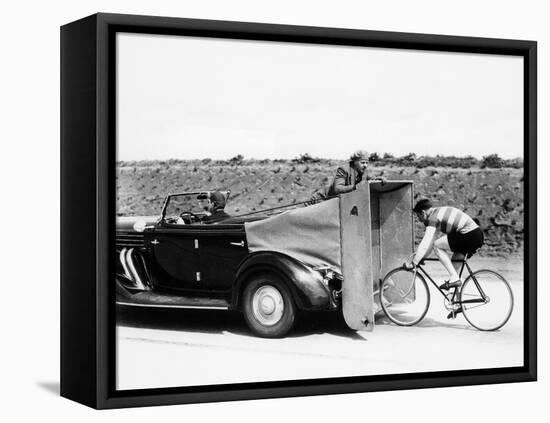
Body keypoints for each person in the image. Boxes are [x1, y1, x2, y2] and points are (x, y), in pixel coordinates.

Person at [405, 199, 484, 315]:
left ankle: (454, 278)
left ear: (423, 212)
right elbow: (430, 242)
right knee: (454, 265)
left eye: (418, 216)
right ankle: (458, 303)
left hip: (469, 235)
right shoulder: (437, 213)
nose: (419, 220)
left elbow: (428, 242)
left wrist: (414, 262)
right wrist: (421, 257)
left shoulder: (433, 217)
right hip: (475, 235)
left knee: (438, 246)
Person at [309, 150, 386, 203]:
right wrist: (355, 187)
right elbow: (337, 189)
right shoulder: (344, 169)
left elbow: (371, 179)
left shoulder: (363, 170)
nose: (365, 165)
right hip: (321, 199)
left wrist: (378, 179)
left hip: (337, 202)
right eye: (362, 162)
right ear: (355, 162)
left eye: (367, 162)